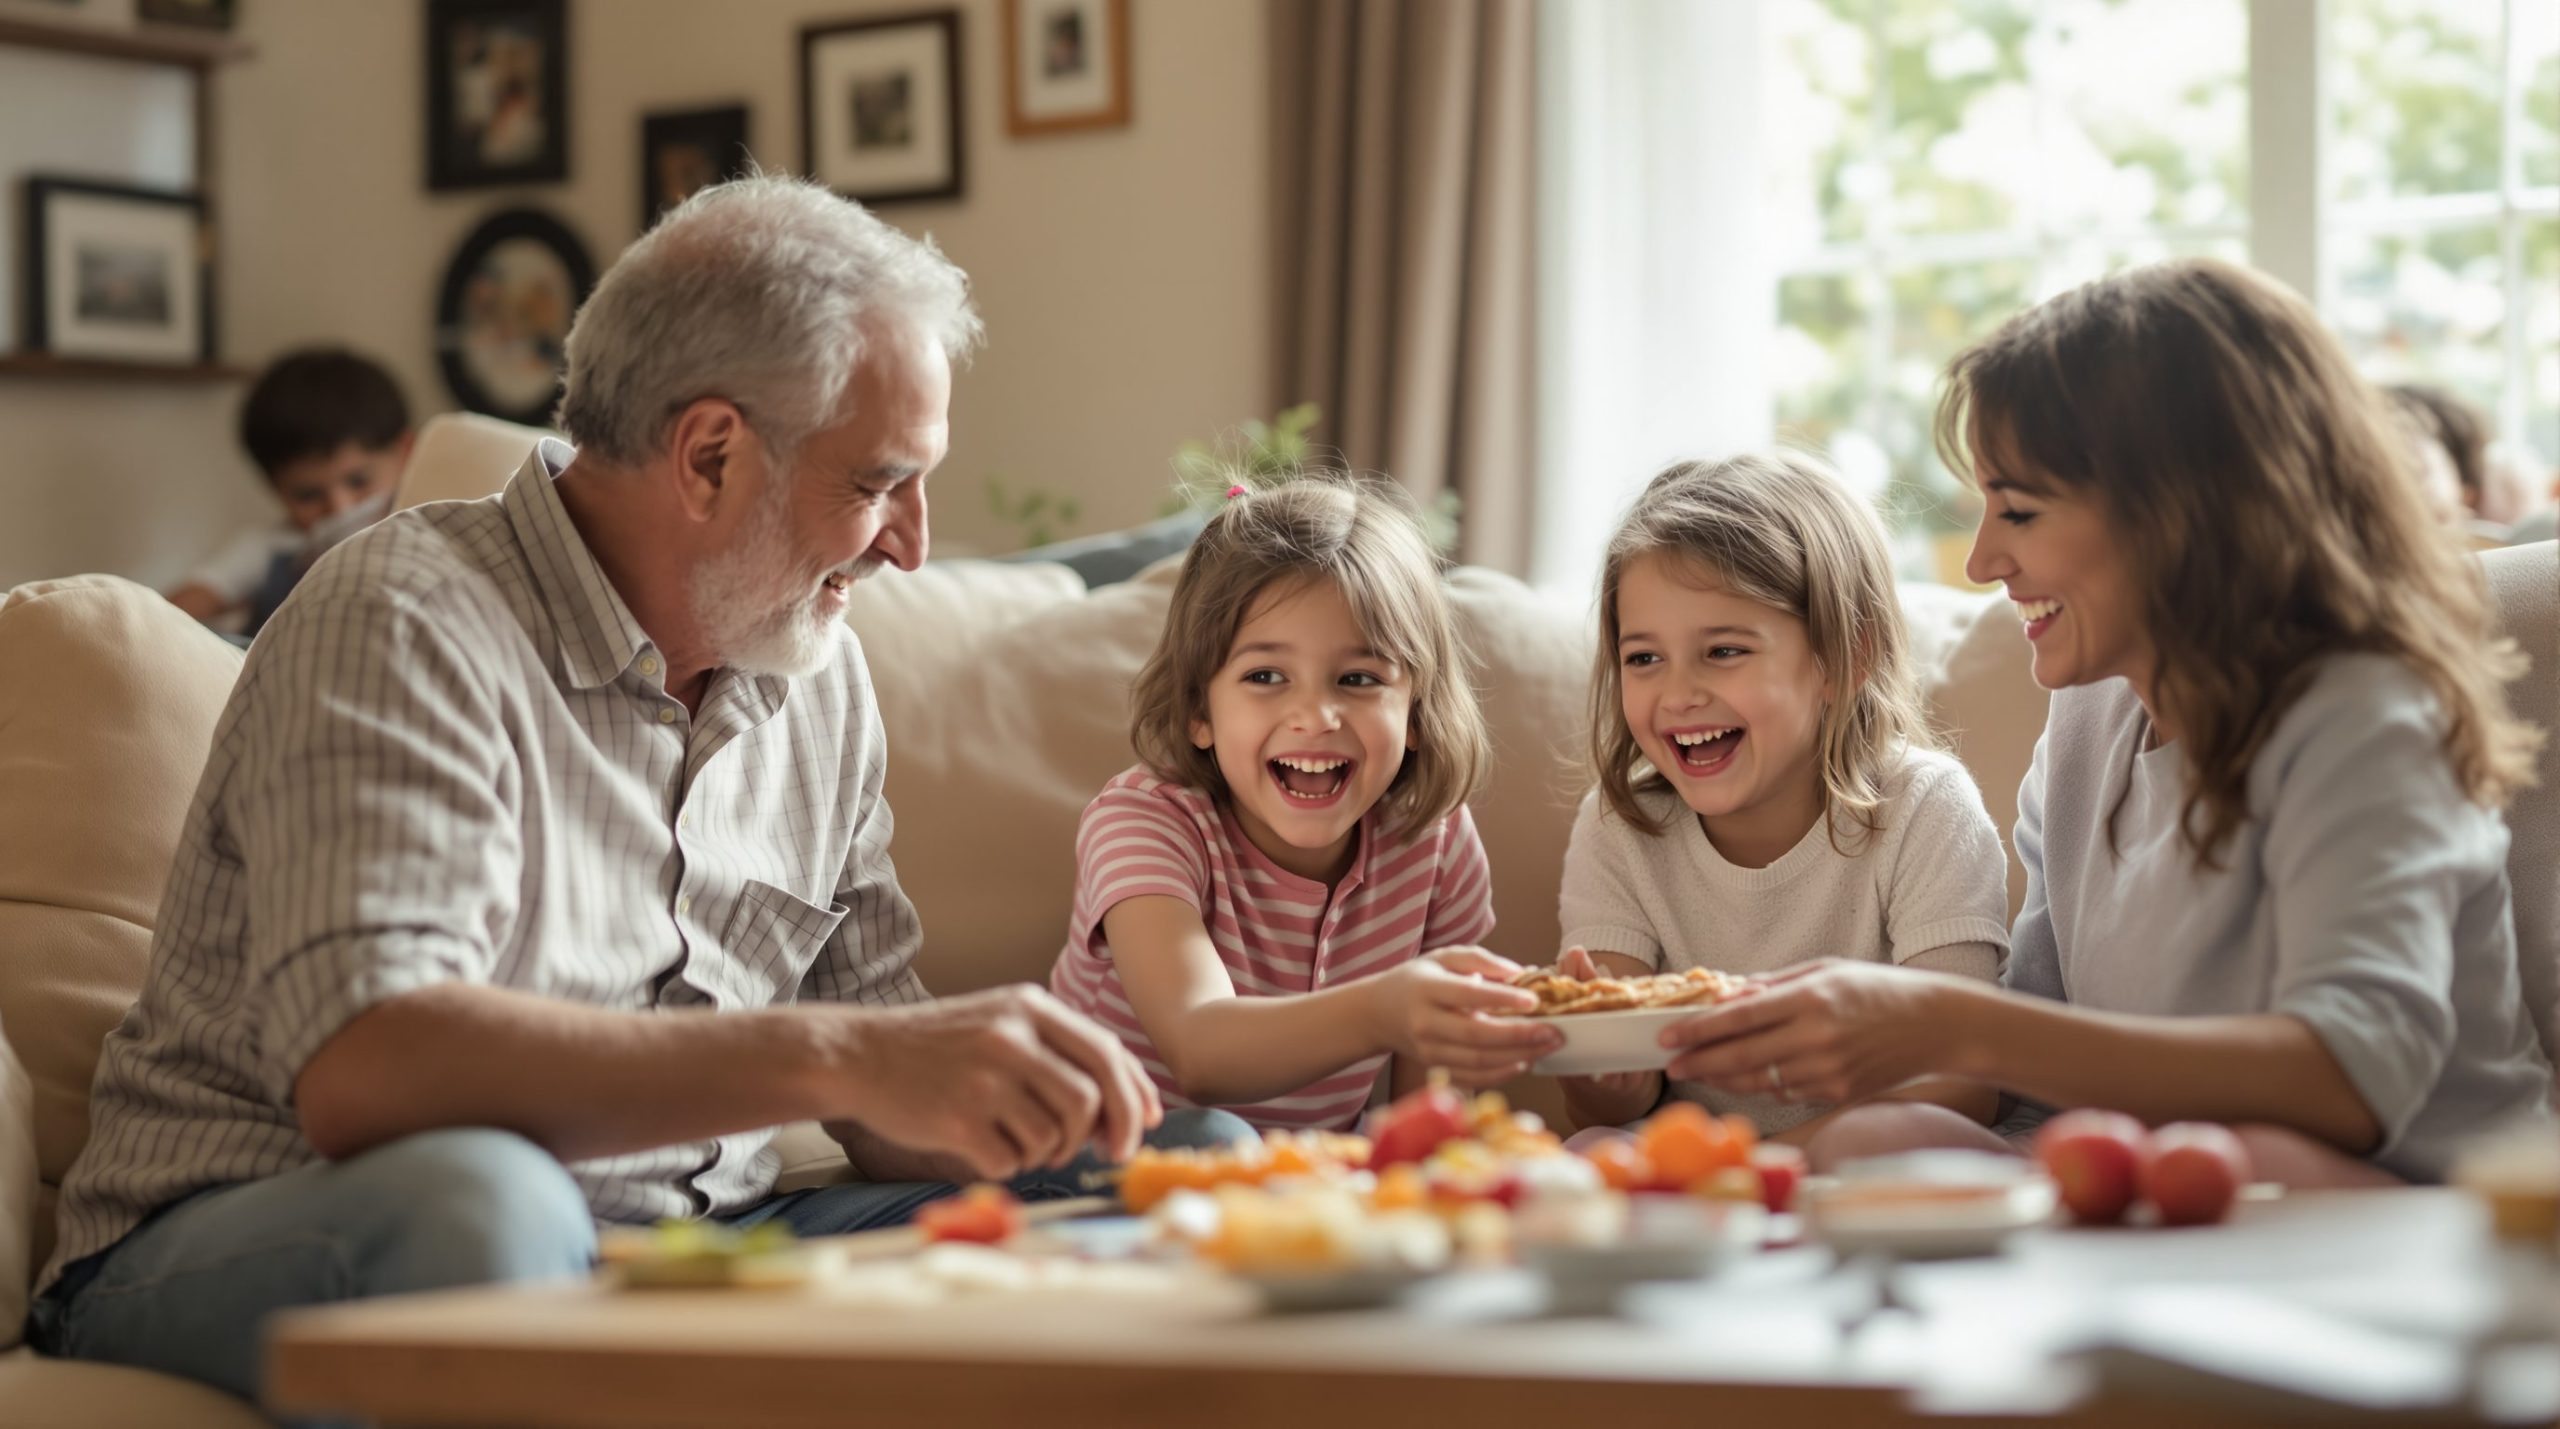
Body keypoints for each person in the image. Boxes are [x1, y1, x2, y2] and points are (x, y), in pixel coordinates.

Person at [29, 174, 1183, 1409]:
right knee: (490, 1205)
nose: (912, 540)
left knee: (1171, 1171)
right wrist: (845, 1054)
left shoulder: (817, 669)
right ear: (710, 454)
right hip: (267, 1224)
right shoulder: (406, 618)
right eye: (877, 482)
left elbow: (885, 1090)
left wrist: (1014, 1091)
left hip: (685, 1248)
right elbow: (370, 1067)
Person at [1657, 259, 2554, 1184]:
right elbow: (2041, 1066)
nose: (1982, 560)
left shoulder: (2361, 715)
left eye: (2020, 509)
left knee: (2236, 1158)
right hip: (2172, 1174)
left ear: (2184, 512)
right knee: (1874, 1149)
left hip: (2423, 1197)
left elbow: (2349, 1081)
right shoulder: (2091, 713)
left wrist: (1945, 1019)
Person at [1048, 476, 1562, 1130]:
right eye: (1265, 676)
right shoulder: (1144, 822)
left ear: (1417, 713)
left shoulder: (1433, 840)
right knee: (1213, 1135)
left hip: (1296, 1193)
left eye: (1358, 679)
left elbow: (1423, 1116)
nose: (1315, 716)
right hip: (1096, 1161)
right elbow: (1198, 1049)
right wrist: (1383, 1009)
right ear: (1199, 710)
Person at [1551, 454, 2009, 1143]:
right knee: (1589, 1149)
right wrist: (1600, 1066)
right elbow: (1604, 1111)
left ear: (1846, 658)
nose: (1677, 694)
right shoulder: (1621, 826)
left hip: (1861, 1164)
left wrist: (1753, 1168)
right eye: (1644, 658)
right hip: (1698, 1183)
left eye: (1724, 651)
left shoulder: (1926, 808)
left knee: (1915, 1134)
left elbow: (1961, 1082)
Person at [165, 348, 412, 635]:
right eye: (308, 495)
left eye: (358, 481)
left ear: (405, 453)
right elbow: (165, 616)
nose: (339, 507)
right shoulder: (268, 549)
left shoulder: (422, 532)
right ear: (276, 490)